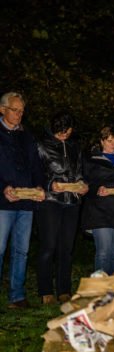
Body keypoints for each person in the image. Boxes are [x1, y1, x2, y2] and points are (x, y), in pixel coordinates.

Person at [37, 112, 88, 304]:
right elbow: (36, 173)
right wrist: (50, 184)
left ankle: (64, 290)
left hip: (72, 202)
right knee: (48, 246)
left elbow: (79, 171)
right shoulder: (42, 145)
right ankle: (45, 291)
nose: (64, 136)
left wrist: (82, 184)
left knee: (66, 248)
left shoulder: (75, 146)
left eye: (67, 132)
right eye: (60, 133)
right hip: (50, 201)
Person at [0, 92, 45, 309]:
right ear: (2, 109)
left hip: (26, 202)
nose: (19, 114)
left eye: (21, 111)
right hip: (3, 203)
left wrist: (39, 186)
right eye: (15, 110)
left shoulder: (27, 136)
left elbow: (36, 165)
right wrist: (3, 188)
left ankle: (17, 296)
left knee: (22, 250)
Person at [81, 126, 114, 275]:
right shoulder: (91, 160)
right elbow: (84, 185)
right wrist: (96, 189)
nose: (113, 144)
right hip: (99, 211)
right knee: (103, 253)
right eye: (110, 141)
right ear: (102, 142)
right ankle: (101, 291)